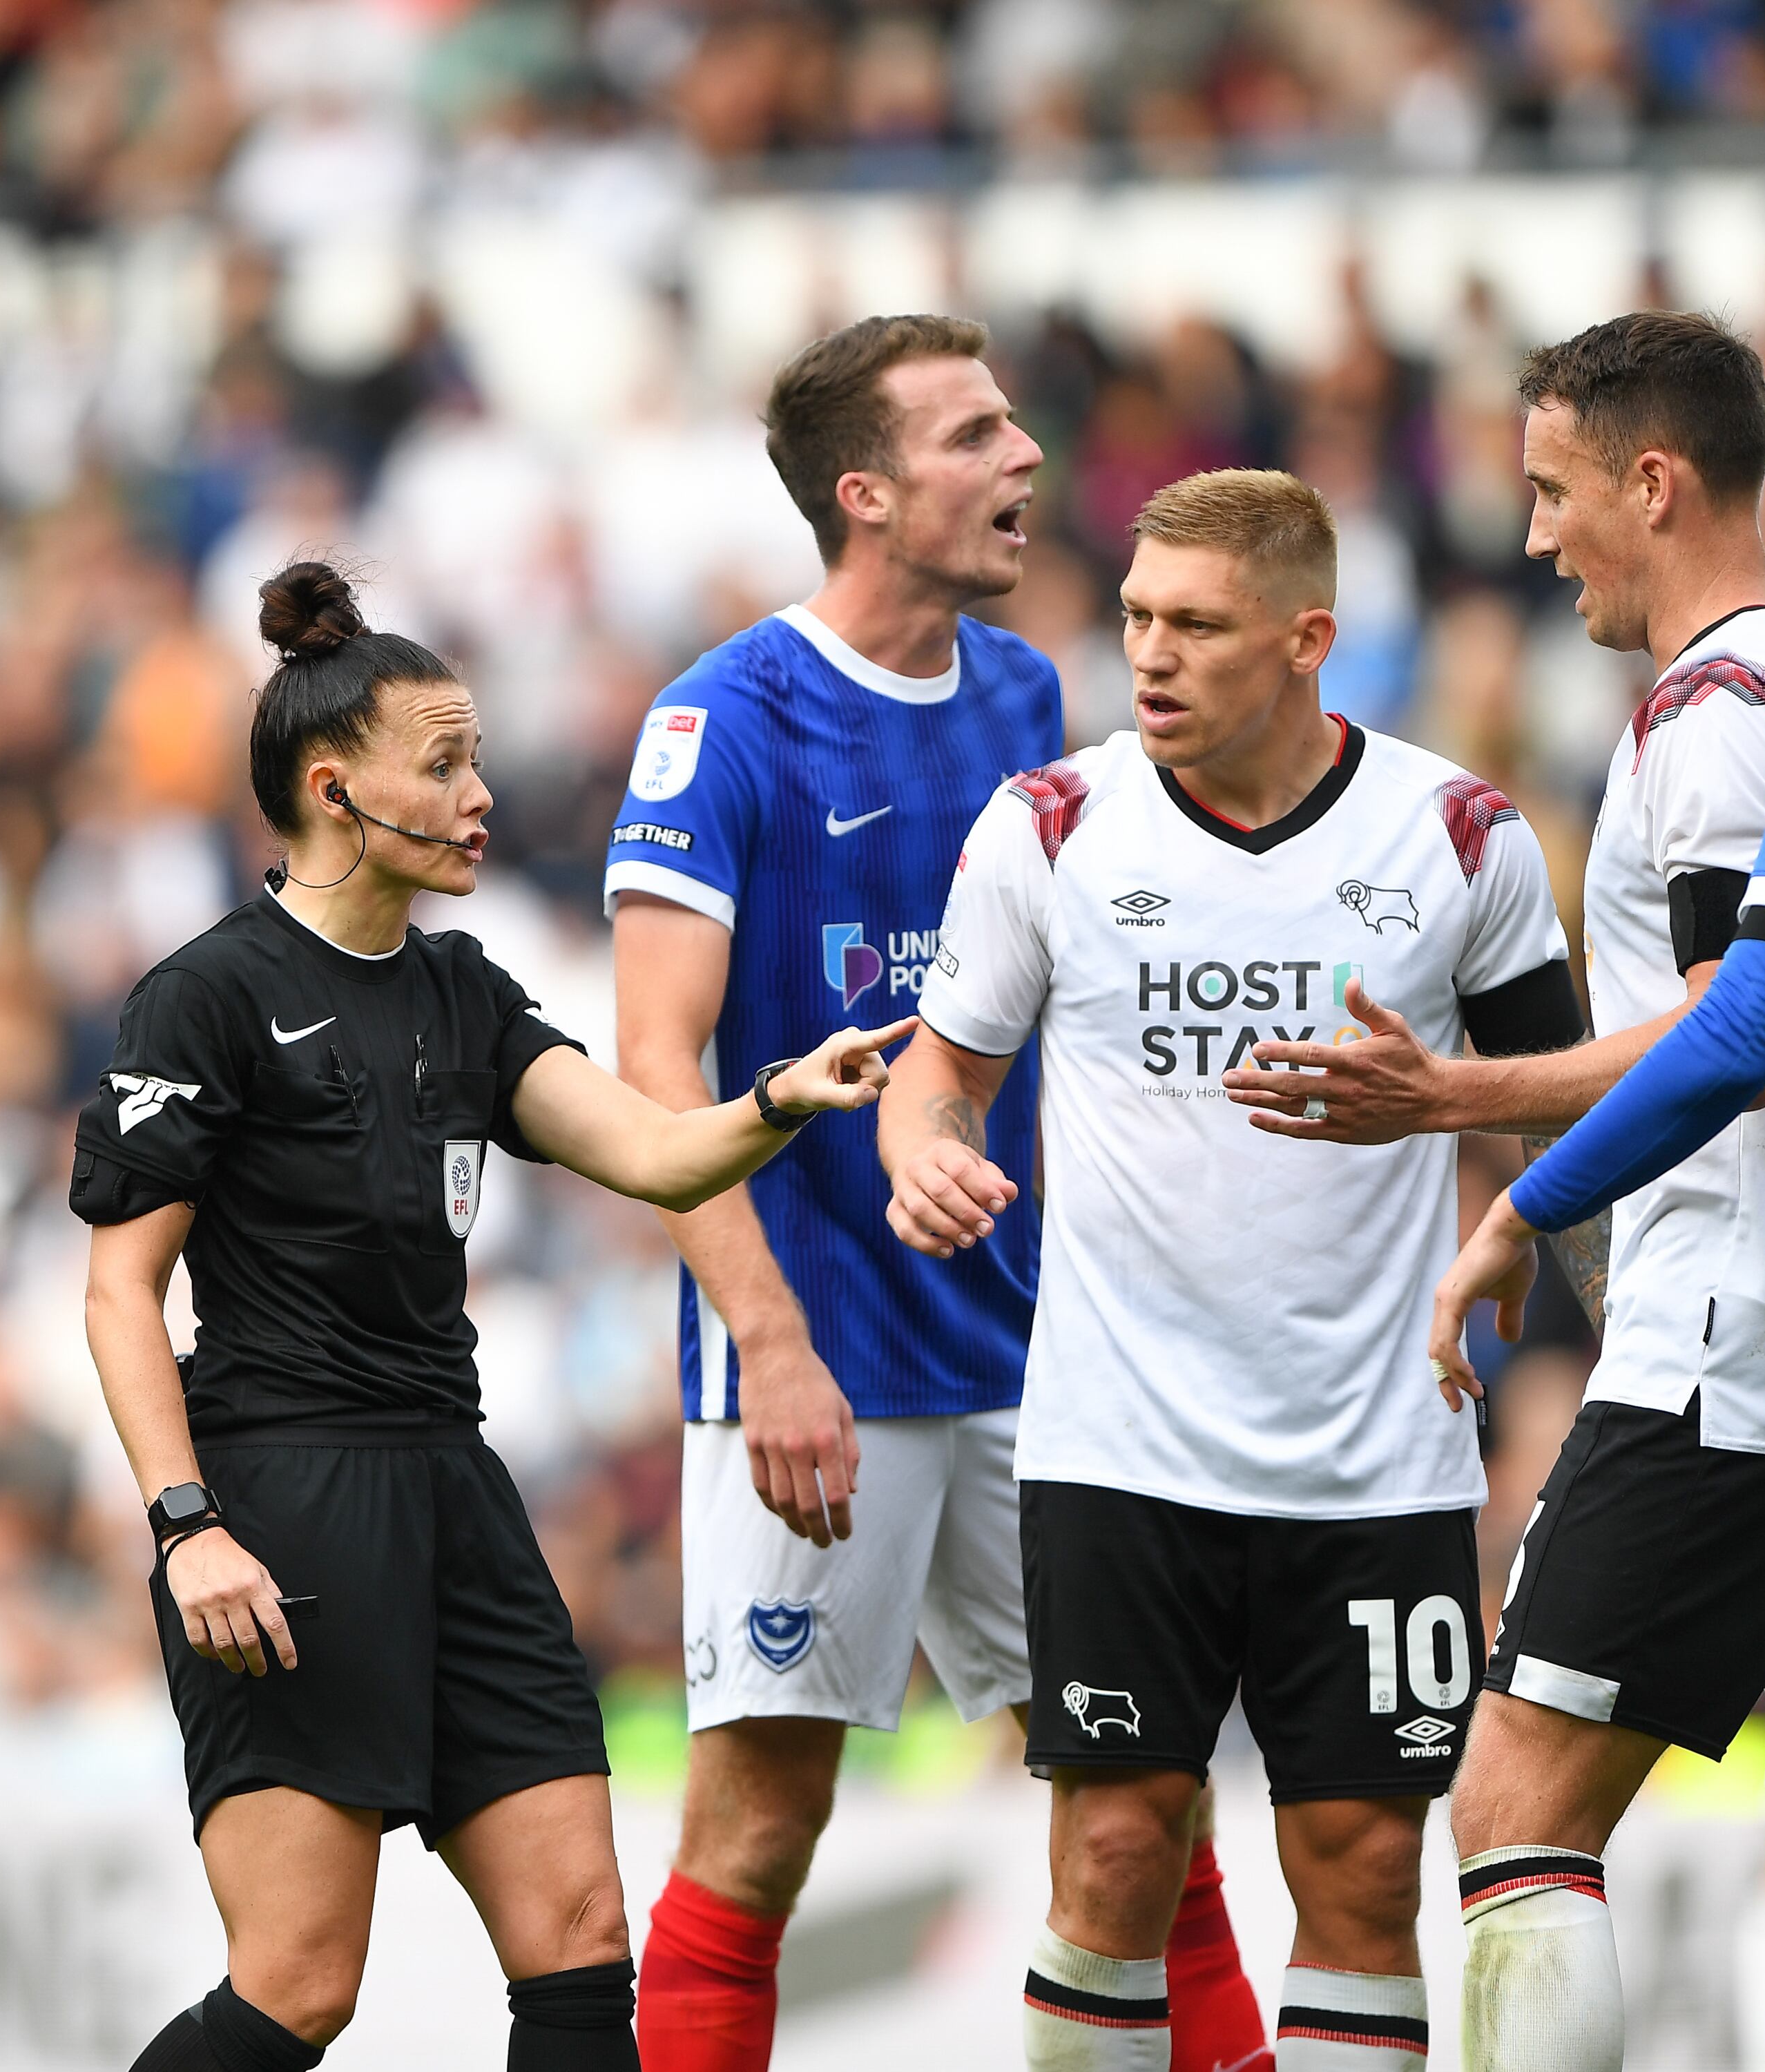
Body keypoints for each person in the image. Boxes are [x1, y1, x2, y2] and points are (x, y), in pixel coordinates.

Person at [1219, 312, 1765, 2066]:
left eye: (1555, 491)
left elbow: (1734, 1027)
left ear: (1653, 482)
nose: (1536, 534)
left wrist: (1465, 1122)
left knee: (1517, 1805)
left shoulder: (1719, 716)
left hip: (1735, 1349)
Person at [75, 559, 914, 2072]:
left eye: (478, 759)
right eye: (446, 763)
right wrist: (186, 1524)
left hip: (457, 1493)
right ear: (334, 789)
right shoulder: (207, 997)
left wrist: (782, 1096)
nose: (480, 795)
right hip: (287, 1503)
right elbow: (120, 1291)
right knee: (299, 1986)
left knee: (584, 1941)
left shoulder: (463, 988)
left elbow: (655, 1153)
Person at [605, 313, 1262, 2072]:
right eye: (973, 434)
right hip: (822, 1361)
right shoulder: (724, 720)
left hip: (1040, 1360)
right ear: (868, 494)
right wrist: (770, 1346)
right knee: (761, 1830)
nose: (1025, 455)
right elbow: (655, 1065)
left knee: (1147, 1800)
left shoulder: (1027, 695)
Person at [881, 468, 1591, 2071]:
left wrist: (1492, 1179)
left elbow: (1571, 1095)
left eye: (1198, 625)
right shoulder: (1051, 824)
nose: (1151, 653)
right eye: (1139, 617)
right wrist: (923, 1150)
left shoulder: (1458, 834)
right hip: (1120, 1449)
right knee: (1115, 1853)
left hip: (1379, 1451)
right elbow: (942, 1072)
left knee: (1362, 1873)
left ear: (1307, 639)